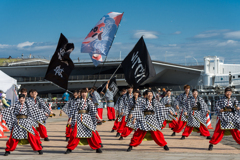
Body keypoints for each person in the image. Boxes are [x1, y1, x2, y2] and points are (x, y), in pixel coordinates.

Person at [65, 89, 102, 154]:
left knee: (92, 134)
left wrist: (98, 117)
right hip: (79, 119)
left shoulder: (89, 101)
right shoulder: (77, 101)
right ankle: (69, 148)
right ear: (81, 94)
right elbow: (73, 110)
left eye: (85, 92)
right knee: (74, 135)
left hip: (87, 119)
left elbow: (94, 110)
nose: (84, 94)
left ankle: (97, 148)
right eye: (82, 93)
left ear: (87, 93)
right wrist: (70, 119)